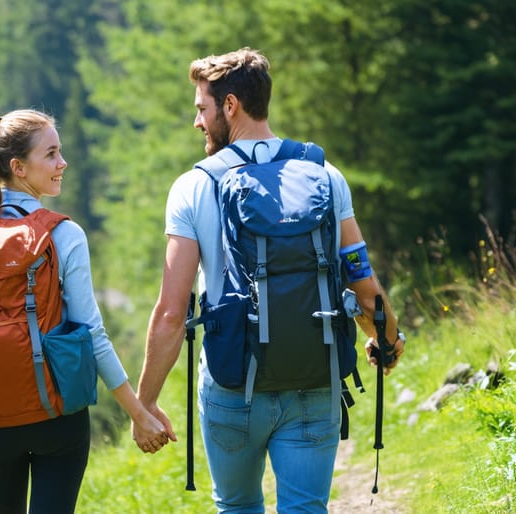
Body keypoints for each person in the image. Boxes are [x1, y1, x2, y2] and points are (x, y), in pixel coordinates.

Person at [132, 48, 406, 512]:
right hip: (313, 377)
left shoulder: (194, 186)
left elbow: (171, 312)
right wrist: (387, 338)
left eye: (202, 109)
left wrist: (145, 404)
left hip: (232, 385)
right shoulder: (324, 174)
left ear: (231, 105)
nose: (197, 122)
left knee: (237, 507)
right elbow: (360, 277)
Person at [0, 108, 169, 513]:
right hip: (58, 421)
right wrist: (138, 413)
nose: (63, 163)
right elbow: (93, 335)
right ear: (19, 167)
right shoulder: (63, 235)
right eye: (52, 154)